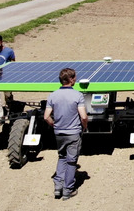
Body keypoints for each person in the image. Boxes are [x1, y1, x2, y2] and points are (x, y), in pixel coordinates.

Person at [44, 68, 88, 201]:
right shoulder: (78, 95)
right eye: (74, 78)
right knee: (71, 161)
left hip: (59, 133)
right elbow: (84, 116)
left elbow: (46, 116)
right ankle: (68, 190)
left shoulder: (53, 95)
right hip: (73, 133)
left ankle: (58, 187)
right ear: (71, 79)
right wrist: (84, 127)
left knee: (61, 157)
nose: (75, 79)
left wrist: (54, 125)